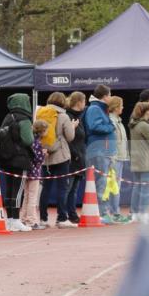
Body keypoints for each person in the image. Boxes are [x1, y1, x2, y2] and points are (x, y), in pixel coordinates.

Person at [38, 93, 76, 228]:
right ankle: (62, 218)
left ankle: (43, 219)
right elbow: (70, 137)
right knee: (62, 188)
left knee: (46, 188)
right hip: (61, 156)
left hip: (45, 156)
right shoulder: (63, 116)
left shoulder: (40, 113)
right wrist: (73, 127)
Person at [0, 93, 34, 232]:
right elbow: (28, 140)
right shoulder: (24, 119)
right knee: (18, 190)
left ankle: (9, 220)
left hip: (7, 158)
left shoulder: (8, 117)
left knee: (9, 189)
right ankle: (16, 220)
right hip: (20, 159)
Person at [83, 84, 117, 224]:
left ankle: (103, 212)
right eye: (110, 95)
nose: (111, 97)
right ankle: (101, 213)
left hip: (103, 151)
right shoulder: (95, 109)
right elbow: (94, 126)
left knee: (104, 183)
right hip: (99, 151)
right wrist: (111, 127)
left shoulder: (100, 108)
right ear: (105, 96)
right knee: (101, 183)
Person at [19, 120, 48, 230]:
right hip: (34, 173)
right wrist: (44, 155)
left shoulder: (29, 140)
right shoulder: (38, 143)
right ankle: (31, 221)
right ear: (42, 131)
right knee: (32, 197)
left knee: (26, 196)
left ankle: (23, 218)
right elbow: (38, 160)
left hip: (26, 171)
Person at [108, 96, 131, 223]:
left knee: (116, 186)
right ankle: (114, 213)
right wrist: (112, 158)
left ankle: (114, 212)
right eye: (121, 105)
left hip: (120, 157)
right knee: (114, 186)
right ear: (116, 107)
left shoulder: (118, 121)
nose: (123, 107)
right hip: (115, 158)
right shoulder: (111, 121)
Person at [65, 91, 87, 224]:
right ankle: (62, 215)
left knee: (73, 190)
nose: (85, 104)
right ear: (79, 103)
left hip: (79, 158)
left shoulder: (79, 118)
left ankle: (72, 214)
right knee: (67, 189)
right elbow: (67, 139)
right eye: (84, 101)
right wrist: (75, 154)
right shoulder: (68, 116)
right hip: (72, 159)